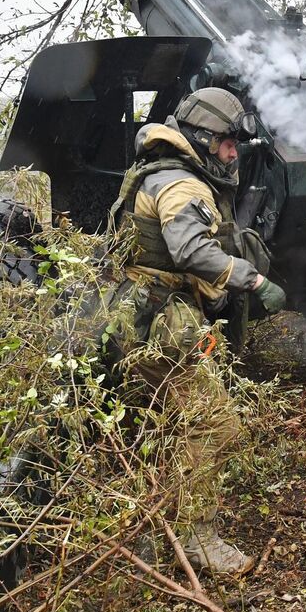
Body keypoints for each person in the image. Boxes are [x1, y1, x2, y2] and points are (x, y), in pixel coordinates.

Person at [108, 86, 286, 576]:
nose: (234, 152)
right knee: (216, 424)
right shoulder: (183, 186)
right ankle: (197, 538)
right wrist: (254, 279)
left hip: (138, 314)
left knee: (162, 426)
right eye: (229, 142)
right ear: (205, 139)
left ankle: (148, 529)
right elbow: (189, 251)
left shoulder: (160, 172)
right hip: (158, 320)